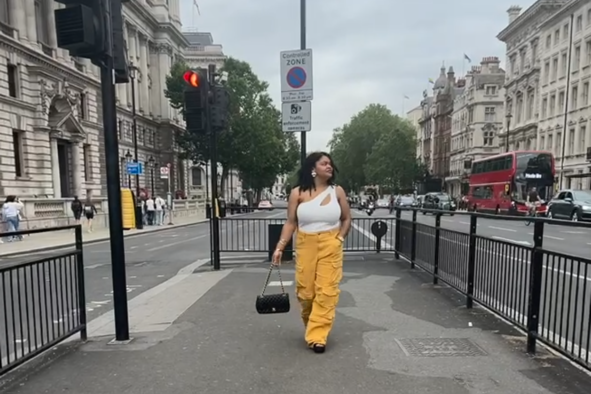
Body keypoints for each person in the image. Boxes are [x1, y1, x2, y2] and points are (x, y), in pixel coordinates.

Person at [272, 152, 352, 354]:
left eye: (330, 163)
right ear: (312, 168)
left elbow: (346, 219)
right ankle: (313, 326)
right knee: (306, 293)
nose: (329, 166)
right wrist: (280, 247)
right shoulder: (297, 193)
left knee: (326, 291)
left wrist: (339, 239)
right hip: (305, 243)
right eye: (324, 163)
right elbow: (291, 223)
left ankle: (318, 337)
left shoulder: (338, 191)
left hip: (330, 243)